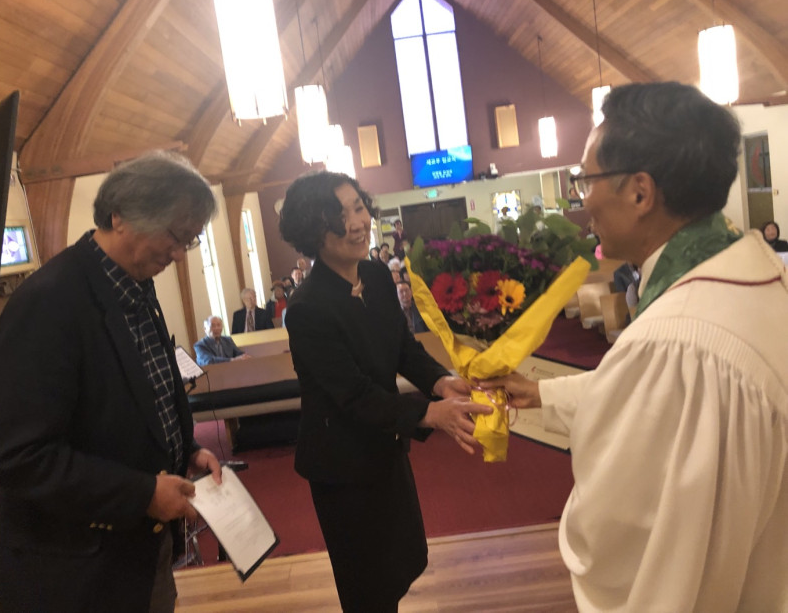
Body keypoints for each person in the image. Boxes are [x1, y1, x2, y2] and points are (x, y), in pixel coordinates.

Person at [480, 82, 788, 611]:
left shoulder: (678, 340)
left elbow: (626, 535)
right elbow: (663, 403)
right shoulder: (748, 272)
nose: (583, 202)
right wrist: (542, 393)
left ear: (641, 193)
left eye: (586, 181)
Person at [0, 151, 223, 613]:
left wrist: (185, 449)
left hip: (137, 552)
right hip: (71, 572)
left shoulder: (137, 284)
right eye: (174, 236)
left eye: (188, 242)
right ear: (120, 215)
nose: (177, 255)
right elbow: (13, 455)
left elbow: (138, 396)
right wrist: (142, 494)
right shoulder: (49, 302)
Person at [279, 171, 491, 612]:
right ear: (312, 230)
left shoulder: (376, 275)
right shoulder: (306, 308)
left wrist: (441, 381)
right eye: (339, 215)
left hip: (384, 447)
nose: (357, 223)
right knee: (367, 588)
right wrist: (430, 414)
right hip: (342, 466)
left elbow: (403, 347)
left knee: (398, 566)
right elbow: (353, 395)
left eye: (359, 207)